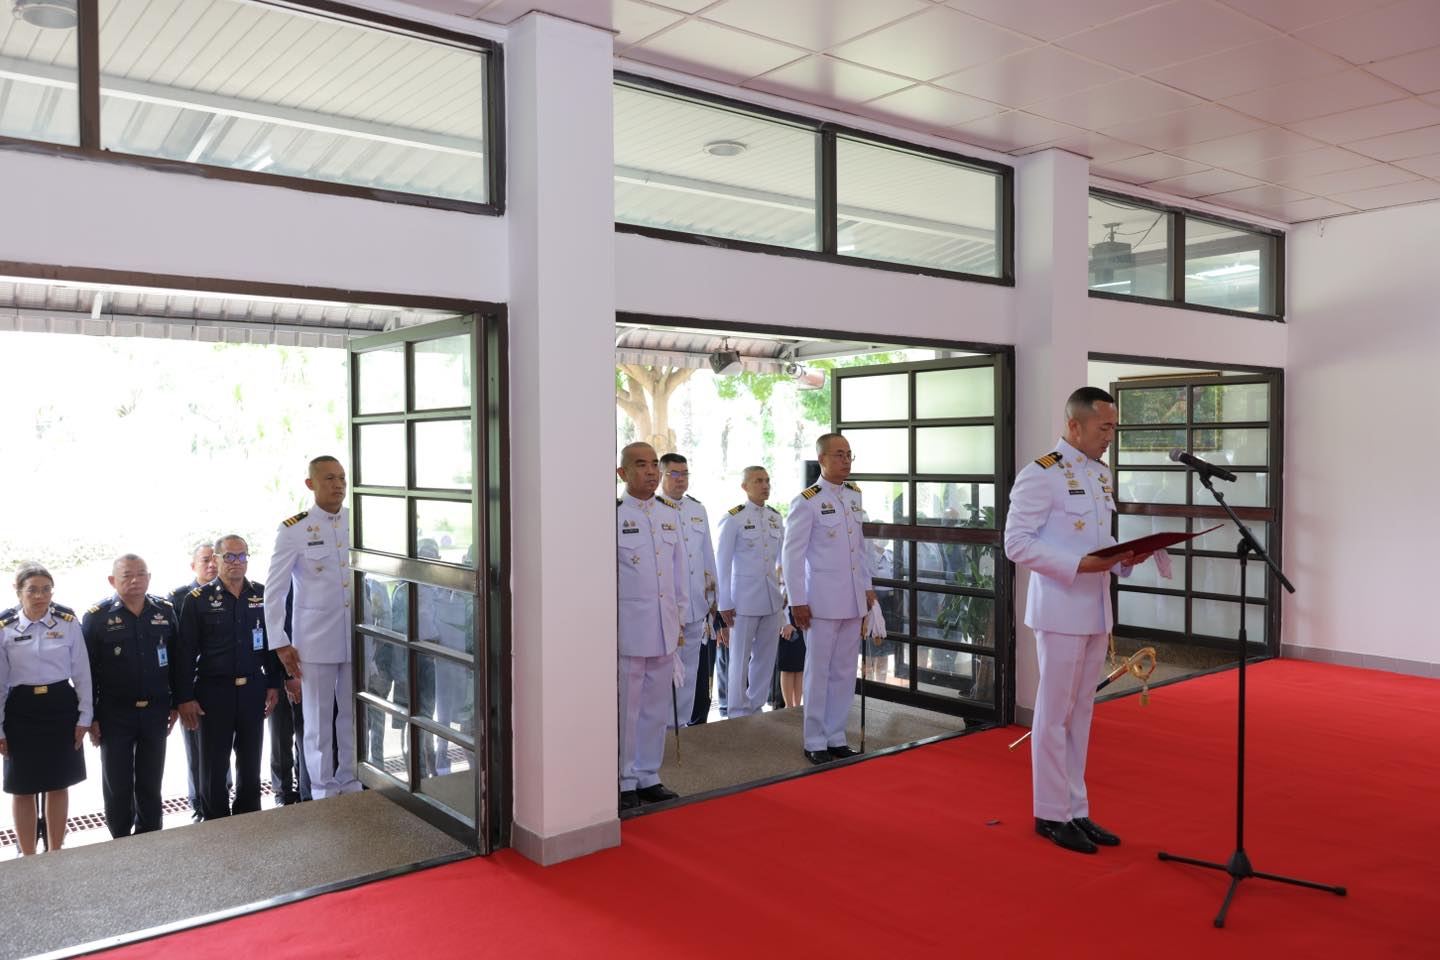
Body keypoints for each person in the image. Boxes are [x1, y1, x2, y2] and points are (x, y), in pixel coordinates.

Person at [1004, 387, 1147, 855]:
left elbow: (1098, 543)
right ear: (1074, 425)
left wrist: (1125, 558)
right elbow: (1016, 543)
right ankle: (1050, 812)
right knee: (1054, 714)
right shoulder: (1040, 474)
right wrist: (1078, 565)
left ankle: (1075, 808)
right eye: (1104, 427)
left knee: (1081, 712)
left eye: (1113, 428)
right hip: (1060, 609)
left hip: (1095, 609)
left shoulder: (1100, 474)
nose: (1110, 436)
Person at [264, 455, 362, 799]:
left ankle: (350, 780)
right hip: (315, 639)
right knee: (318, 721)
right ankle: (322, 788)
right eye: (329, 478)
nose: (338, 485)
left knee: (351, 715)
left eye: (342, 478)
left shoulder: (357, 521)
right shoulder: (295, 529)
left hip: (354, 635)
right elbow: (274, 591)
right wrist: (280, 641)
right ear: (311, 484)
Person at [783, 434, 875, 765]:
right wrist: (797, 600)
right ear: (822, 459)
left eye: (849, 454)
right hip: (820, 602)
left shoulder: (853, 495)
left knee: (845, 671)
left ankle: (836, 735)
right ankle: (814, 739)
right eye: (838, 455)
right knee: (818, 672)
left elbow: (859, 549)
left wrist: (866, 587)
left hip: (851, 599)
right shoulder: (806, 501)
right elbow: (793, 556)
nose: (846, 460)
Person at [177, 537, 283, 819]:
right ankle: (216, 822)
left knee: (250, 762)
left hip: (252, 690)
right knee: (213, 764)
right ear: (217, 559)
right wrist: (184, 697)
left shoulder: (261, 594)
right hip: (213, 693)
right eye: (229, 557)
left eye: (242, 556)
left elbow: (272, 644)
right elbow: (185, 653)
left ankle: (249, 819)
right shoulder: (197, 600)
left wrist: (274, 683)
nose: (236, 562)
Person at [82, 554, 181, 839]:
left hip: (155, 710)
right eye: (127, 575)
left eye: (141, 574)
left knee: (151, 780)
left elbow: (177, 660)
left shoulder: (165, 610)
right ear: (112, 580)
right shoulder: (97, 617)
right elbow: (86, 672)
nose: (135, 580)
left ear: (150, 577)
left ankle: (151, 836)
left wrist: (176, 702)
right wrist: (91, 716)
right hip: (114, 713)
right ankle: (120, 839)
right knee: (117, 783)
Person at [0, 564, 92, 855]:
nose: (40, 596)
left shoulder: (67, 622)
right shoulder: (5, 627)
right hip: (20, 709)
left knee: (58, 782)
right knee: (21, 785)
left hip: (60, 706)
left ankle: (55, 851)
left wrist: (85, 715)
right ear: (18, 592)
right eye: (33, 590)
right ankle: (28, 855)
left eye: (46, 589)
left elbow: (82, 673)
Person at [615, 441, 687, 809]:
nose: (650, 471)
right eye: (641, 464)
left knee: (656, 707)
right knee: (628, 708)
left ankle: (648, 774)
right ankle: (623, 780)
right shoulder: (612, 515)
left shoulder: (668, 513)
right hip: (629, 628)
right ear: (622, 473)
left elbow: (679, 573)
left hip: (664, 626)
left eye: (654, 464)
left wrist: (680, 619)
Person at [716, 465, 785, 719]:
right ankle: (736, 710)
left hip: (771, 598)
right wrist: (724, 602)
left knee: (765, 658)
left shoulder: (775, 518)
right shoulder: (734, 518)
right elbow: (722, 563)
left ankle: (756, 706)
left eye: (767, 480)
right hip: (743, 600)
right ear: (745, 486)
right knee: (739, 658)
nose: (765, 485)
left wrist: (786, 594)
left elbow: (783, 561)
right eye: (758, 481)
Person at [659, 453, 718, 729]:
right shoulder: (655, 509)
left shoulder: (697, 509)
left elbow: (707, 555)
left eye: (684, 473)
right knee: (663, 670)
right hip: (667, 606)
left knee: (691, 669)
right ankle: (662, 727)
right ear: (662, 475)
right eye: (674, 474)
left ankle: (681, 724)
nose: (680, 479)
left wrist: (713, 599)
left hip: (696, 603)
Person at [170, 542, 222, 820]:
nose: (212, 565)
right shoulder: (178, 599)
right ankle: (199, 804)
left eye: (216, 559)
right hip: (191, 686)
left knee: (221, 749)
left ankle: (220, 795)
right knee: (197, 750)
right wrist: (181, 694)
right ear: (193, 566)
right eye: (205, 560)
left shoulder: (232, 593)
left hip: (220, 684)